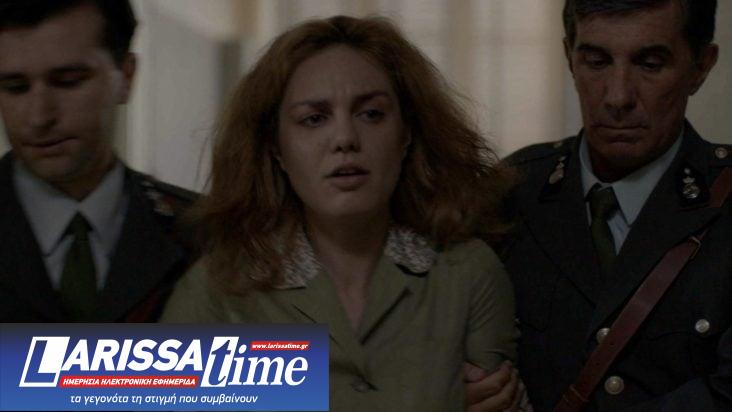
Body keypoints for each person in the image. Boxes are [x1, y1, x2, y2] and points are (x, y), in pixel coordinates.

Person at [162, 15, 522, 411]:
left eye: (371, 114)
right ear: (276, 148)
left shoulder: (468, 273)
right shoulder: (219, 287)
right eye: (314, 119)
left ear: (405, 134)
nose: (345, 139)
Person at [500, 0, 731, 410]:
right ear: (569, 57)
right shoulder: (511, 193)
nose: (618, 97)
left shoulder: (724, 200)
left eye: (650, 64)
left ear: (701, 67)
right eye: (596, 62)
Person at [0, 0, 196, 322]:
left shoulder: (206, 233)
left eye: (68, 81)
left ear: (126, 77)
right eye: (15, 88)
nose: (39, 117)